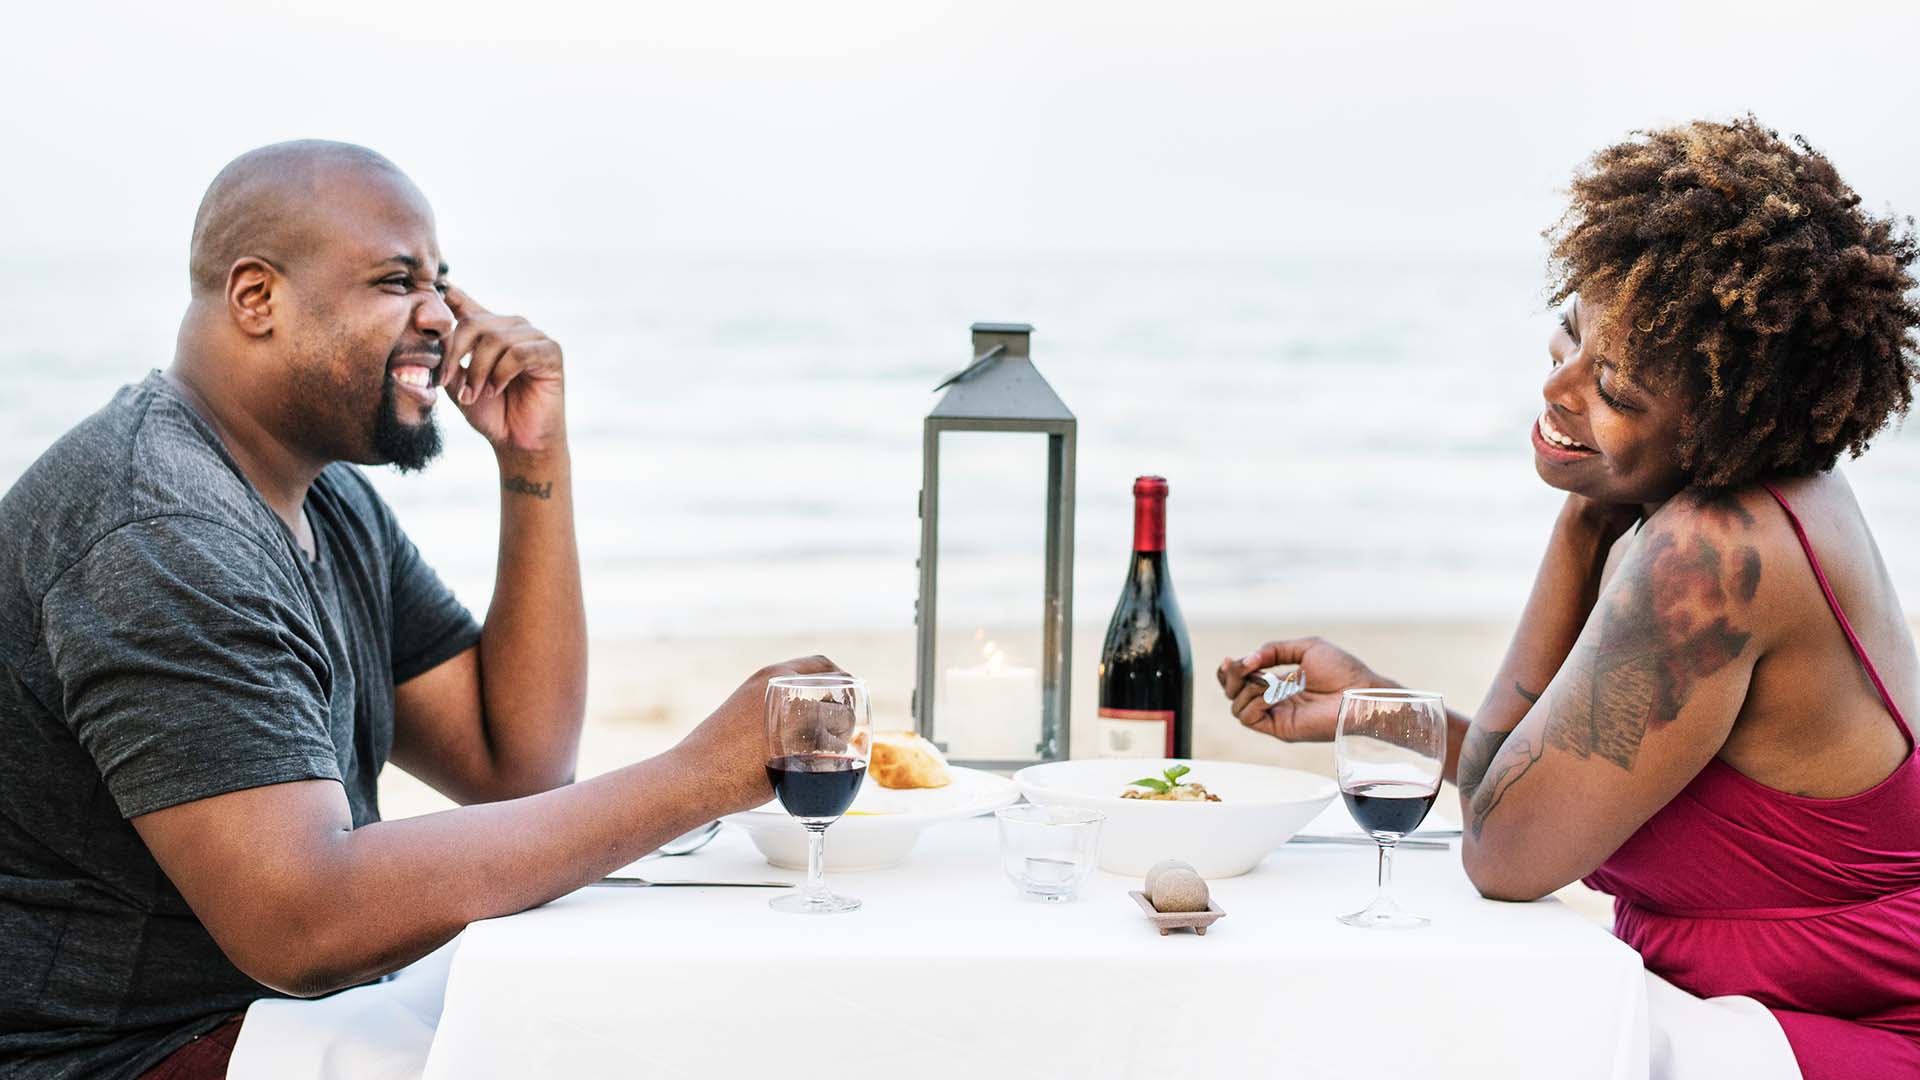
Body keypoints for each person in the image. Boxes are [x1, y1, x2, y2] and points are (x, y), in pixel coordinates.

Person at [0, 140, 835, 1079]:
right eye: (398, 281)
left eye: (445, 282)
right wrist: (700, 777)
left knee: (678, 1009)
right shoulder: (157, 525)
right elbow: (304, 921)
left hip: (287, 1018)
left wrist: (533, 461)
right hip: (128, 1053)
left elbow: (513, 765)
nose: (442, 316)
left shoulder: (320, 498)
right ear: (256, 298)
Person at [1218, 117, 1920, 1079]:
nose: (1557, 386)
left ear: (1726, 419)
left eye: (1617, 387)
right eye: (1573, 333)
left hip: (1827, 1045)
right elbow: (1563, 792)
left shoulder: (1711, 554)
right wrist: (1391, 711)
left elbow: (1503, 854)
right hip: (1747, 1016)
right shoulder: (1771, 492)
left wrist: (1582, 523)